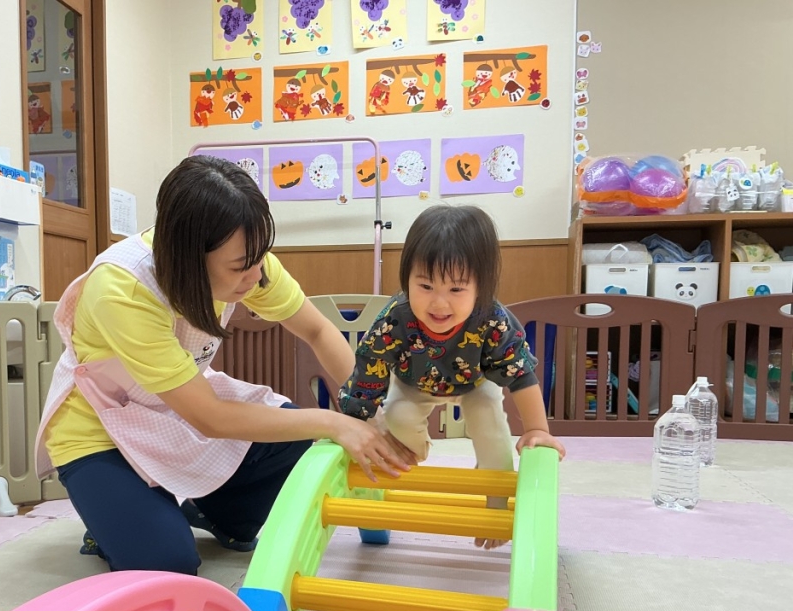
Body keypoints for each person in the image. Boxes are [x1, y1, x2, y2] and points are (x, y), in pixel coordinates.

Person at [35, 155, 411, 576]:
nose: (255, 276)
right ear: (188, 259)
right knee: (168, 565)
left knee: (299, 441)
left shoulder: (250, 261)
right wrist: (334, 421)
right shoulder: (123, 288)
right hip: (102, 429)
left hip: (180, 406)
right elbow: (210, 417)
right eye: (239, 268)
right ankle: (117, 519)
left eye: (258, 259)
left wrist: (371, 411)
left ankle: (216, 514)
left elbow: (319, 332)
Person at [337, 204, 566, 550]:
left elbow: (520, 373)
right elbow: (371, 367)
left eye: (456, 290)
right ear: (406, 281)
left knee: (491, 428)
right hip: (413, 382)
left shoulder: (493, 319)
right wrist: (356, 422)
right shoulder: (395, 318)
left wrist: (537, 429)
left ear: (481, 286)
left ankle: (495, 504)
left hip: (476, 382)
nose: (439, 303)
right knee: (397, 417)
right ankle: (416, 449)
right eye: (425, 286)